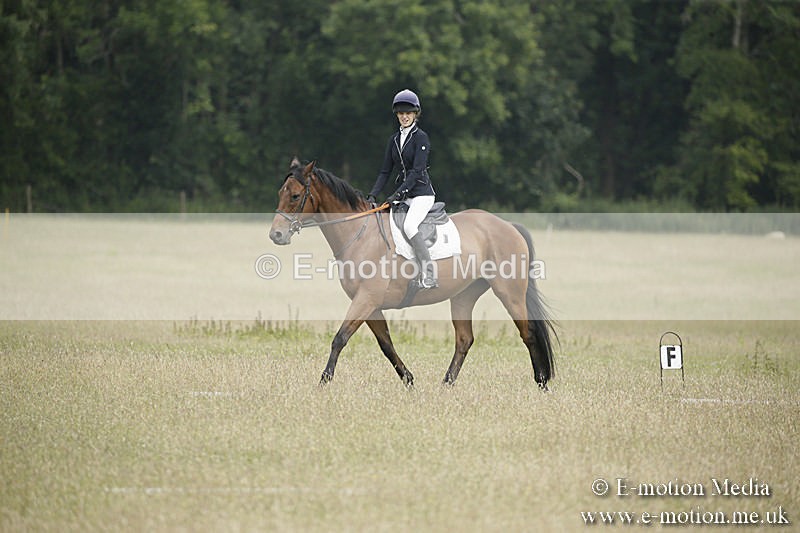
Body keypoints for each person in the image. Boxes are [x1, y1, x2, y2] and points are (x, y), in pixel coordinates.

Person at [367, 89, 438, 289]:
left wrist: (397, 194)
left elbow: (417, 171)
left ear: (415, 114)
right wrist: (373, 194)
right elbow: (385, 171)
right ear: (397, 114)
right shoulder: (393, 140)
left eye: (408, 113)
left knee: (409, 226)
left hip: (422, 195)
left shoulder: (421, 138)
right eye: (401, 113)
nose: (404, 116)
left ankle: (429, 274)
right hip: (404, 196)